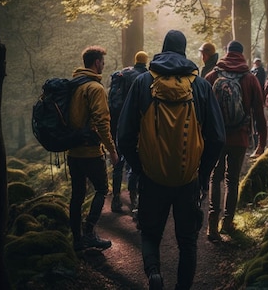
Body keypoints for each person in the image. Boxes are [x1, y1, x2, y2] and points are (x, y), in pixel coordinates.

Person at [118, 30, 225, 290]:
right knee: (187, 242)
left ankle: (154, 272)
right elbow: (218, 139)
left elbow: (124, 136)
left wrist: (141, 168)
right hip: (187, 180)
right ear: (184, 50)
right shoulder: (200, 86)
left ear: (163, 48)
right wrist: (201, 174)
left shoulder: (143, 83)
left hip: (152, 178)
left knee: (150, 233)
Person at [204, 40, 267, 241]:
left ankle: (212, 226)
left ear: (226, 52)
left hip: (216, 138)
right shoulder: (250, 78)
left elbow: (202, 112)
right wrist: (261, 142)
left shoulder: (212, 76)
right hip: (239, 137)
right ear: (242, 55)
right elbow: (259, 113)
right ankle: (228, 223)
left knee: (216, 177)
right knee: (232, 180)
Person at [68, 45, 119, 251]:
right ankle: (89, 232)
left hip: (72, 152)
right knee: (101, 189)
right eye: (102, 62)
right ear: (96, 62)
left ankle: (77, 240)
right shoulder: (95, 88)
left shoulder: (74, 86)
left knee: (77, 195)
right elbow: (102, 123)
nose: (103, 65)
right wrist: (112, 150)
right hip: (90, 152)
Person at [110, 50, 149, 215]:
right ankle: (134, 199)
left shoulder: (122, 74)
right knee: (135, 163)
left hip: (117, 122)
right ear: (145, 61)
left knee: (118, 162)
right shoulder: (146, 77)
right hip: (134, 124)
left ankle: (116, 197)